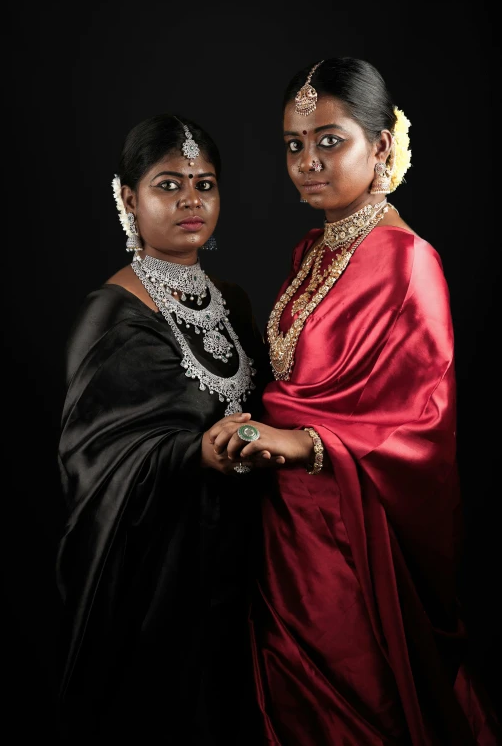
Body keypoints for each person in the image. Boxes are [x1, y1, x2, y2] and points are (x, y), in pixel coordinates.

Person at [211, 58, 500, 744]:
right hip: (285, 539)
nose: (308, 160)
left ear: (383, 147)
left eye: (329, 139)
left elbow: (420, 427)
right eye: (293, 144)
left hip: (353, 543)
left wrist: (302, 442)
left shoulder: (409, 262)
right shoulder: (312, 249)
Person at [55, 113, 276, 745]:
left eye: (204, 185)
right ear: (129, 197)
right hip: (158, 579)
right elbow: (93, 465)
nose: (190, 201)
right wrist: (190, 455)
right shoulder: (111, 315)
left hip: (239, 564)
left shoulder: (230, 301)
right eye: (168, 184)